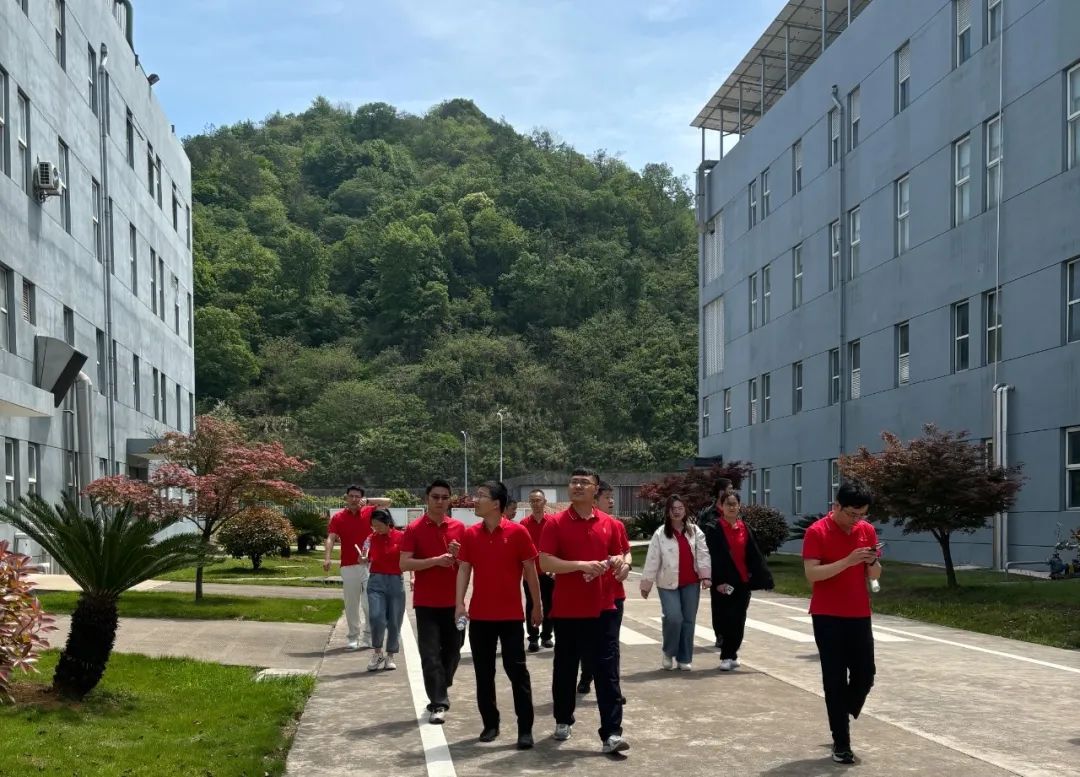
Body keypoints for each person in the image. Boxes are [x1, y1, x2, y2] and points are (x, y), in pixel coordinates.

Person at [539, 467, 629, 755]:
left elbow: (621, 553)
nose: (577, 486)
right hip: (568, 610)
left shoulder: (610, 524)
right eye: (574, 482)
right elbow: (545, 562)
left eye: (584, 482)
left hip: (604, 607)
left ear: (595, 489)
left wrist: (621, 564)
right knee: (565, 668)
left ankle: (611, 733)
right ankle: (563, 719)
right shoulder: (555, 523)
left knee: (607, 671)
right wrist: (581, 566)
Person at [455, 481, 541, 749]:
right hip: (481, 617)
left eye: (481, 496)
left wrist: (537, 605)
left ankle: (525, 729)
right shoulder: (471, 534)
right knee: (484, 673)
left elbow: (530, 571)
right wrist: (459, 604)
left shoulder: (518, 533)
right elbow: (464, 569)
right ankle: (490, 724)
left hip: (511, 617)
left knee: (517, 672)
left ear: (496, 503)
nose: (475, 499)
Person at [802, 482, 882, 765]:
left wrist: (871, 561)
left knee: (865, 674)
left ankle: (841, 711)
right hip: (827, 615)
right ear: (836, 506)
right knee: (834, 678)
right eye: (851, 514)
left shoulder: (866, 531)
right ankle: (842, 742)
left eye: (861, 514)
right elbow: (812, 574)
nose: (856, 520)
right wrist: (847, 561)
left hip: (859, 612)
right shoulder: (817, 532)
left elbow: (875, 574)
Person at [400, 479, 466, 725]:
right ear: (427, 499)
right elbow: (404, 563)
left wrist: (458, 555)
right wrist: (435, 561)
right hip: (426, 603)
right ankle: (438, 702)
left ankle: (441, 682)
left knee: (453, 650)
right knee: (429, 655)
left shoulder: (460, 528)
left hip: (454, 602)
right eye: (435, 497)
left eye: (444, 497)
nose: (440, 501)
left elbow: (468, 565)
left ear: (450, 500)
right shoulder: (414, 528)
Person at [702, 491, 774, 671]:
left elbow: (754, 555)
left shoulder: (745, 528)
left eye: (735, 504)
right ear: (722, 507)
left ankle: (730, 654)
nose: (732, 507)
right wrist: (717, 581)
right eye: (728, 504)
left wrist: (762, 578)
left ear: (739, 506)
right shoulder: (714, 529)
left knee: (739, 619)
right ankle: (728, 654)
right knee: (725, 619)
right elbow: (712, 557)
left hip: (742, 581)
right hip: (722, 582)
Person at [639, 495, 711, 671]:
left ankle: (684, 658)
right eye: (673, 509)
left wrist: (705, 576)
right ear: (668, 512)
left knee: (688, 620)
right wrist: (646, 584)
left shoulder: (694, 531)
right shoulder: (660, 533)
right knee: (673, 618)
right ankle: (668, 651)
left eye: (680, 508)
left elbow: (703, 553)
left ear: (685, 510)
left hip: (691, 582)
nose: (677, 511)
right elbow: (652, 559)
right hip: (667, 583)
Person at [577, 480, 631, 698]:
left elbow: (626, 552)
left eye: (612, 497)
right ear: (594, 499)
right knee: (587, 642)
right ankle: (586, 675)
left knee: (611, 645)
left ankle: (613, 689)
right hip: (588, 593)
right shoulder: (581, 526)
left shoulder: (616, 525)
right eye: (606, 497)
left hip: (613, 594)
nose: (611, 501)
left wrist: (626, 565)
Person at [323, 485, 392, 650]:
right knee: (351, 604)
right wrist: (327, 558)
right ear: (346, 497)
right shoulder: (338, 517)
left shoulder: (369, 511)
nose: (354, 499)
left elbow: (388, 502)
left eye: (357, 496)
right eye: (351, 496)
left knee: (369, 604)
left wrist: (368, 501)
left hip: (369, 565)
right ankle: (353, 637)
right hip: (348, 566)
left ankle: (368, 636)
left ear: (361, 498)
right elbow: (331, 538)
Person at [696, 477, 735, 646]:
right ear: (720, 492)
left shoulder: (734, 510)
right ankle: (721, 634)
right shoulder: (708, 514)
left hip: (733, 564)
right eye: (729, 489)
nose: (732, 492)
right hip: (716, 564)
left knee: (734, 597)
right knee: (719, 599)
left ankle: (731, 631)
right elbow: (699, 538)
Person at [365, 509, 406, 672]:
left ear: (388, 522)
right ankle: (377, 652)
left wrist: (413, 577)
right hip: (376, 581)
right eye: (374, 526)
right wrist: (362, 558)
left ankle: (390, 655)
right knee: (376, 617)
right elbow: (364, 555)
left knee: (395, 620)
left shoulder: (401, 537)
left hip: (395, 580)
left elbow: (408, 557)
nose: (376, 529)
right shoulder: (370, 538)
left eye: (379, 525)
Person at [520, 489, 555, 652]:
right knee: (531, 605)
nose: (535, 503)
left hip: (549, 572)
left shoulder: (553, 522)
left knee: (549, 604)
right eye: (532, 500)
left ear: (544, 502)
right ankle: (533, 638)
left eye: (538, 500)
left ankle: (546, 636)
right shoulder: (524, 524)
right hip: (530, 573)